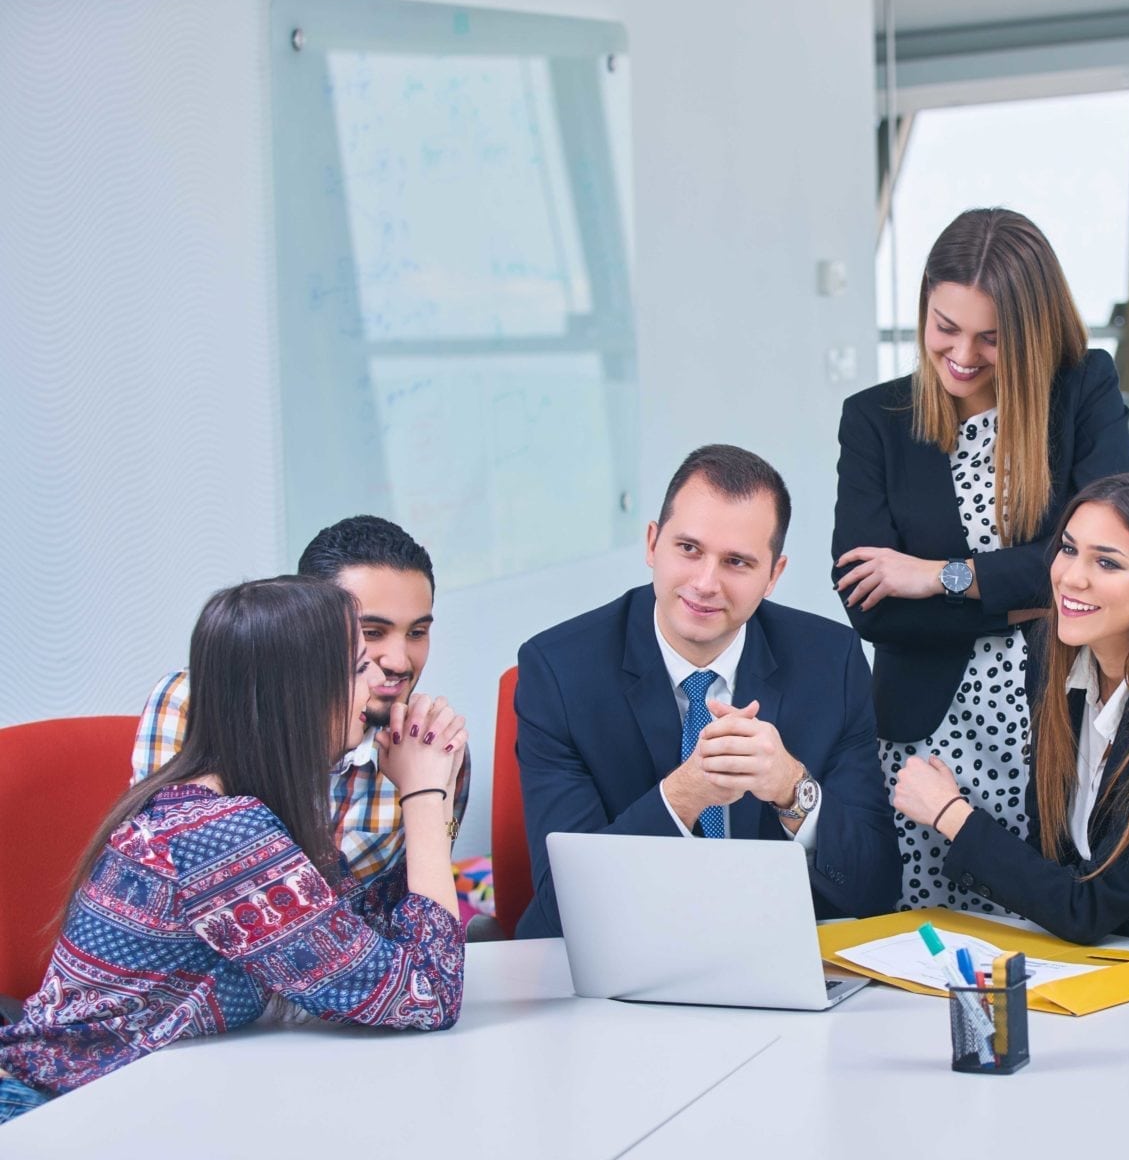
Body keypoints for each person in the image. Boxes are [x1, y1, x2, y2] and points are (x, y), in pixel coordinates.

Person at [0, 578, 465, 1124]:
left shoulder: (236, 812)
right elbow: (428, 993)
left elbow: (374, 941)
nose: (378, 686)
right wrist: (423, 795)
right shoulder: (217, 834)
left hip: (120, 1104)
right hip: (47, 1114)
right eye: (359, 667)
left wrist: (437, 785)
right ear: (299, 691)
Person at [833, 207, 1129, 911]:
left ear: (1030, 333)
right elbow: (870, 610)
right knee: (916, 948)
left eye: (990, 338)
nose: (962, 354)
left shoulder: (1083, 391)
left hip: (1059, 725)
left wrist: (938, 577)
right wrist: (1039, 593)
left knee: (1050, 932)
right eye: (945, 328)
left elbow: (1109, 556)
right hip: (919, 742)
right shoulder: (875, 420)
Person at [512, 444, 900, 939]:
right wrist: (686, 793)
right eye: (688, 549)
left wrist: (792, 789)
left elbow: (878, 888)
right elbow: (563, 904)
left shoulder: (831, 662)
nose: (705, 583)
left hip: (769, 956)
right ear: (653, 544)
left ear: (773, 576)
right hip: (617, 957)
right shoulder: (560, 670)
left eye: (737, 562)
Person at [890, 473, 1129, 948]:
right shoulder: (1053, 653)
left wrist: (951, 813)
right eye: (1068, 549)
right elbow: (1052, 855)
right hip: (1082, 966)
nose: (1070, 577)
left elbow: (1091, 907)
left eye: (1107, 562)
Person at [131, 515, 471, 899]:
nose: (399, 660)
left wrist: (436, 808)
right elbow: (168, 885)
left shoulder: (427, 742)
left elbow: (424, 894)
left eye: (417, 633)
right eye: (372, 633)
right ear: (309, 624)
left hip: (352, 950)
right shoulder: (194, 702)